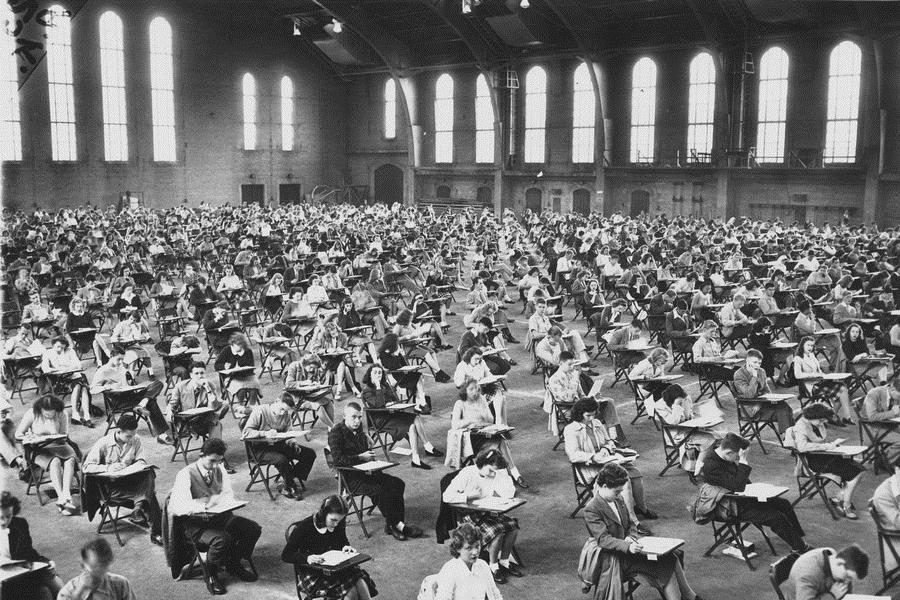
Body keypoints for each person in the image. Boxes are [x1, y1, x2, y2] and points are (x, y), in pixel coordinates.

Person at [584, 463, 704, 600]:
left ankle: (688, 595)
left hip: (628, 549)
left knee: (671, 556)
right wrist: (627, 545)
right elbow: (603, 540)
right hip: (612, 557)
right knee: (665, 565)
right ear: (604, 486)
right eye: (617, 491)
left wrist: (630, 536)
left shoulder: (618, 499)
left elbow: (631, 524)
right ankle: (685, 596)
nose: (619, 495)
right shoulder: (592, 509)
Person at [168, 438, 262, 594]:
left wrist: (223, 502)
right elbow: (178, 506)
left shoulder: (219, 469)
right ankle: (211, 574)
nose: (214, 466)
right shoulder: (185, 474)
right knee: (222, 539)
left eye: (218, 461)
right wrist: (202, 506)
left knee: (252, 529)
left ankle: (234, 562)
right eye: (211, 461)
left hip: (219, 517)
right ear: (201, 455)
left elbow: (227, 494)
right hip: (195, 525)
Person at [327, 403, 423, 541]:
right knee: (380, 490)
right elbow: (338, 461)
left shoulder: (360, 430)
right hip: (351, 479)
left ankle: (394, 523)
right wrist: (360, 457)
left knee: (397, 483)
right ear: (344, 416)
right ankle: (398, 525)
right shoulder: (336, 433)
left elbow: (366, 453)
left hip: (368, 471)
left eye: (359, 417)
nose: (357, 421)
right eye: (353, 417)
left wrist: (372, 458)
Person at [700, 433, 810, 553]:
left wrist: (760, 491)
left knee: (783, 504)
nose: (738, 459)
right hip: (728, 506)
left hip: (740, 498)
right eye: (737, 456)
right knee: (776, 517)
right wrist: (742, 462)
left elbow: (740, 484)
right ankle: (800, 548)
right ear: (728, 452)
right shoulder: (711, 466)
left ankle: (797, 538)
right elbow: (738, 486)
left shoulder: (725, 454)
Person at [563, 398, 655, 533]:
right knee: (624, 479)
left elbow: (609, 441)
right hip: (588, 467)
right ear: (579, 413)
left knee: (635, 472)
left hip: (606, 461)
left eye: (594, 414)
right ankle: (633, 520)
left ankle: (642, 507)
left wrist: (606, 449)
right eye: (588, 415)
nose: (592, 418)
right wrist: (593, 457)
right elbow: (573, 455)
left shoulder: (597, 423)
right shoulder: (571, 429)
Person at [442, 449, 523, 584]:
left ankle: (504, 561)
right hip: (468, 515)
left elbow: (509, 493)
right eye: (491, 470)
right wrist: (469, 496)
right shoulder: (467, 473)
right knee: (497, 532)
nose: (493, 474)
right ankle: (493, 566)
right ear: (481, 464)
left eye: (495, 471)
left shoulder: (496, 473)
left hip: (487, 510)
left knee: (513, 526)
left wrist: (503, 475)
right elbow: (446, 497)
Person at [82, 414, 164, 545]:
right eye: (128, 436)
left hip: (129, 480)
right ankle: (155, 530)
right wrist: (109, 468)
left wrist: (138, 465)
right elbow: (86, 468)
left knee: (149, 472)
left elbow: (141, 459)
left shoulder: (135, 439)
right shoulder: (103, 443)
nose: (131, 439)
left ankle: (140, 506)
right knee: (149, 496)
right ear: (118, 431)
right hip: (112, 488)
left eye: (133, 435)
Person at [281, 495, 376, 600]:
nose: (336, 524)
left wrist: (345, 547)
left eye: (339, 521)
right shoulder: (305, 527)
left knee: (358, 578)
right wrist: (307, 558)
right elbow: (286, 555)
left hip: (335, 568)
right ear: (324, 514)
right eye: (333, 520)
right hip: (314, 572)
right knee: (351, 591)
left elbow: (343, 541)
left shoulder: (338, 523)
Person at [787, 403, 864, 519]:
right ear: (812, 417)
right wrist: (828, 446)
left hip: (824, 457)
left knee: (860, 470)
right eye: (821, 420)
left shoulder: (815, 423)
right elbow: (802, 447)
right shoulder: (800, 426)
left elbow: (820, 442)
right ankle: (845, 504)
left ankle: (840, 497)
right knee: (855, 473)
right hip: (812, 462)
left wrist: (833, 446)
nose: (822, 423)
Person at [361, 364, 441, 470]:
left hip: (392, 414)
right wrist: (378, 387)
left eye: (380, 372)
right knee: (411, 425)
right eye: (375, 372)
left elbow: (395, 399)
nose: (378, 375)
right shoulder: (367, 390)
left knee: (415, 418)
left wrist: (390, 402)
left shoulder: (385, 385)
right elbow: (379, 405)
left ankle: (422, 452)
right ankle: (421, 454)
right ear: (370, 375)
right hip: (380, 419)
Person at [240, 393, 316, 500]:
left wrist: (292, 442)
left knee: (309, 454)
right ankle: (291, 485)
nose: (283, 413)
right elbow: (246, 433)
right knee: (282, 460)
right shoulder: (260, 411)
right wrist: (264, 433)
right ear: (276, 401)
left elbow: (288, 431)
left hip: (279, 444)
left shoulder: (285, 414)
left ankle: (287, 482)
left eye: (285, 411)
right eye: (281, 409)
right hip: (259, 449)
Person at [14, 395, 79, 516]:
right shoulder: (32, 413)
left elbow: (64, 434)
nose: (49, 416)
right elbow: (18, 434)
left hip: (58, 444)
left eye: (52, 414)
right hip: (39, 447)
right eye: (46, 414)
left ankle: (66, 494)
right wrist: (29, 437)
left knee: (70, 459)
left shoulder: (62, 413)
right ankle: (61, 497)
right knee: (55, 462)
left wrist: (57, 436)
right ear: (40, 409)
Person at [90, 349, 172, 444]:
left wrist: (134, 386)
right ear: (111, 356)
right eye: (118, 359)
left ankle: (142, 403)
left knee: (158, 384)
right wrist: (109, 386)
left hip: (130, 394)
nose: (121, 362)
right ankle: (161, 434)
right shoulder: (102, 371)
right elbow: (93, 389)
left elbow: (126, 385)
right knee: (151, 401)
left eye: (122, 359)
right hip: (119, 400)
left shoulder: (121, 368)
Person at [0, 491, 64, 600]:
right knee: (44, 592)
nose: (4, 521)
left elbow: (29, 553)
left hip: (21, 574)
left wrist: (47, 563)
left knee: (49, 581)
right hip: (3, 581)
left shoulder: (19, 525)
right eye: (1, 517)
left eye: (8, 516)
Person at [653, 384, 723, 476]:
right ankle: (698, 468)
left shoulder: (685, 398)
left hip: (690, 429)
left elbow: (689, 415)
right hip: (676, 434)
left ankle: (706, 463)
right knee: (709, 439)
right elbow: (674, 421)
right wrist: (676, 405)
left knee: (719, 437)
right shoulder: (660, 405)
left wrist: (698, 418)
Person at [793, 336, 853, 425]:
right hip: (810, 386)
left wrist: (824, 375)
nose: (810, 348)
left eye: (812, 346)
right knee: (838, 392)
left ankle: (847, 417)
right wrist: (814, 375)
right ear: (802, 346)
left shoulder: (812, 355)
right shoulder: (798, 358)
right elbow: (797, 375)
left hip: (820, 381)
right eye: (808, 345)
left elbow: (818, 370)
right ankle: (831, 416)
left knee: (842, 387)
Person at [434, 522, 503, 600]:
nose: (475, 552)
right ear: (458, 548)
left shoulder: (483, 565)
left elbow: (495, 593)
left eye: (477, 546)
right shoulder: (450, 570)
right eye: (469, 548)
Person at [732, 349, 794, 434]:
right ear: (747, 360)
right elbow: (749, 395)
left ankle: (789, 435)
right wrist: (754, 377)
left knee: (784, 406)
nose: (757, 365)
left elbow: (766, 390)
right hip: (750, 408)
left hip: (761, 404)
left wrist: (772, 399)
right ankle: (788, 436)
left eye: (759, 363)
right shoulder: (739, 375)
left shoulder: (761, 371)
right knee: (783, 410)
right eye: (754, 362)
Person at [57, 538, 135, 600]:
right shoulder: (67, 592)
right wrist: (79, 593)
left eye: (104, 566)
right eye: (95, 568)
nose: (101, 573)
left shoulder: (121, 584)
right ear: (83, 566)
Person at [41, 335, 93, 427]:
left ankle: (84, 415)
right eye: (58, 347)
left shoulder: (70, 351)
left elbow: (78, 364)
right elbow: (45, 369)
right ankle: (77, 414)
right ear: (53, 345)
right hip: (60, 380)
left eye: (63, 347)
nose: (60, 349)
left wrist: (69, 368)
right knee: (79, 386)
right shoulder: (48, 353)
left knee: (82, 387)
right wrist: (57, 369)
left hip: (74, 376)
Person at [783, 545, 870, 600]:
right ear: (840, 563)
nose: (847, 582)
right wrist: (831, 596)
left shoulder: (832, 555)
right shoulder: (808, 575)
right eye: (848, 576)